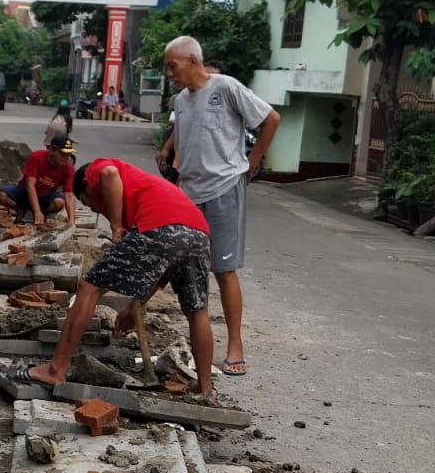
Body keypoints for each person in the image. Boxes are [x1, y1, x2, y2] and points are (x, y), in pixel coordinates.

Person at [25, 158, 214, 396]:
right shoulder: (146, 189)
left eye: (91, 204)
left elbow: (109, 173)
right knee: (197, 311)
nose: (96, 210)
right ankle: (206, 390)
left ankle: (55, 369)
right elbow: (159, 269)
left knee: (88, 288)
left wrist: (115, 225)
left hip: (159, 224)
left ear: (87, 185)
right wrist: (132, 308)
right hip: (198, 233)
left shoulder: (98, 169)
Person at [158, 36, 280, 378]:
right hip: (190, 193)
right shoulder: (181, 101)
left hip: (225, 186)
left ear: (193, 61)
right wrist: (173, 165)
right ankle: (201, 344)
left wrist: (250, 163)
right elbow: (185, 136)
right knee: (190, 269)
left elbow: (271, 119)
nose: (170, 73)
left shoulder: (225, 88)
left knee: (223, 270)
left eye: (172, 65)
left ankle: (235, 345)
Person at [0, 136, 77, 228]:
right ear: (51, 150)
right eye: (62, 154)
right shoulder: (36, 157)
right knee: (1, 194)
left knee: (59, 203)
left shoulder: (68, 168)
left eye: (68, 154)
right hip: (24, 192)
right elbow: (30, 185)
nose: (65, 158)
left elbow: (69, 194)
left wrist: (71, 219)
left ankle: (44, 214)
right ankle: (20, 210)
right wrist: (36, 211)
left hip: (46, 196)